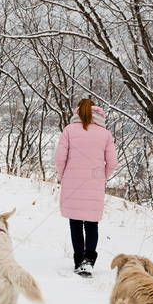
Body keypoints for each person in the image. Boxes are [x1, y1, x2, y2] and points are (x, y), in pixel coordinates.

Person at [54, 98, 117, 277]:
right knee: (91, 224)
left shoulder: (68, 130)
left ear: (77, 112)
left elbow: (59, 159)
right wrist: (102, 176)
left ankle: (78, 260)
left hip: (72, 182)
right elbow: (112, 162)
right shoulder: (105, 134)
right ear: (97, 112)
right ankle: (88, 261)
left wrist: (62, 176)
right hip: (95, 183)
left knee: (75, 222)